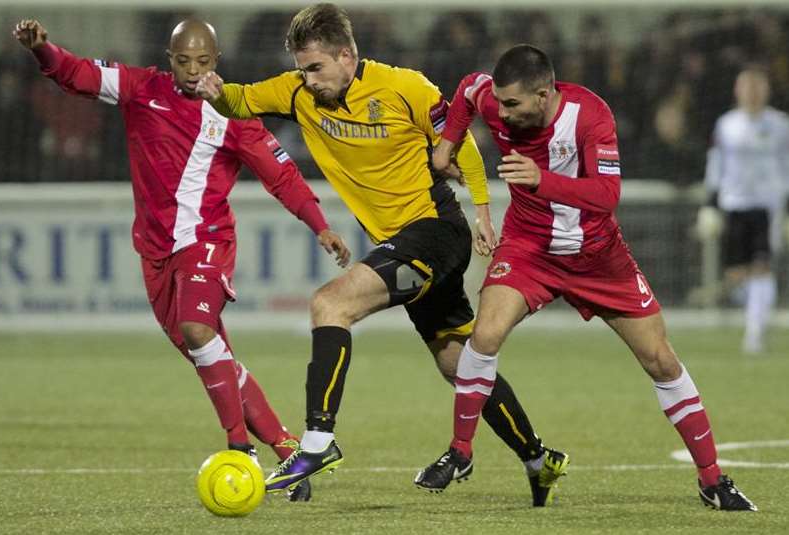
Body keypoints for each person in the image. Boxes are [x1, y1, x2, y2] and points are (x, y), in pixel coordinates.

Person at [197, 3, 569, 507]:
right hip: (405, 243)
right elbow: (241, 101)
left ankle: (316, 441)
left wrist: (483, 211)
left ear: (347, 55)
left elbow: (460, 143)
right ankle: (537, 458)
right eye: (302, 69)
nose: (308, 81)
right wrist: (216, 92)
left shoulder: (406, 88)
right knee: (458, 364)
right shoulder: (296, 91)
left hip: (436, 232)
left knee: (331, 304)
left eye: (316, 68)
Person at [14, 17, 352, 502]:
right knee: (214, 357)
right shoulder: (140, 88)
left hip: (206, 242)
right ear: (170, 60)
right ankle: (285, 448)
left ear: (216, 61)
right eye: (183, 61)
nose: (193, 70)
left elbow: (281, 175)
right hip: (154, 253)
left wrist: (320, 226)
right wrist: (42, 51)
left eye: (202, 61)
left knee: (199, 330)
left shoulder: (231, 111)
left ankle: (240, 449)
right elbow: (78, 75)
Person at [415, 44, 757, 511]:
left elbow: (606, 195)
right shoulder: (493, 96)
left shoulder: (590, 114)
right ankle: (461, 451)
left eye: (513, 105)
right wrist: (445, 149)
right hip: (529, 247)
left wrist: (541, 179)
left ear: (543, 93)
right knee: (485, 335)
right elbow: (467, 92)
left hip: (599, 256)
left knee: (661, 360)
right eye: (501, 103)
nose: (503, 114)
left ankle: (712, 479)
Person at [697, 66, 789, 354]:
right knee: (737, 274)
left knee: (761, 267)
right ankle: (758, 310)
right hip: (734, 204)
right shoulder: (726, 124)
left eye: (756, 86)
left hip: (767, 206)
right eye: (746, 87)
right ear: (738, 91)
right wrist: (710, 204)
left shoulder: (780, 125)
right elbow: (716, 165)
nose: (751, 92)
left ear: (766, 90)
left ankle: (754, 332)